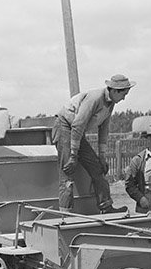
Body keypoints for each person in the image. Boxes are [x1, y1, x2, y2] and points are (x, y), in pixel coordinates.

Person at [53, 75, 134, 213]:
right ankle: (65, 214)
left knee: (97, 168)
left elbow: (104, 129)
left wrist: (102, 157)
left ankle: (106, 207)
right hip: (64, 127)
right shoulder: (95, 98)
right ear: (115, 91)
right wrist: (73, 155)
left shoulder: (110, 103)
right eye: (123, 94)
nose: (124, 98)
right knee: (68, 171)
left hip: (77, 132)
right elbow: (78, 125)